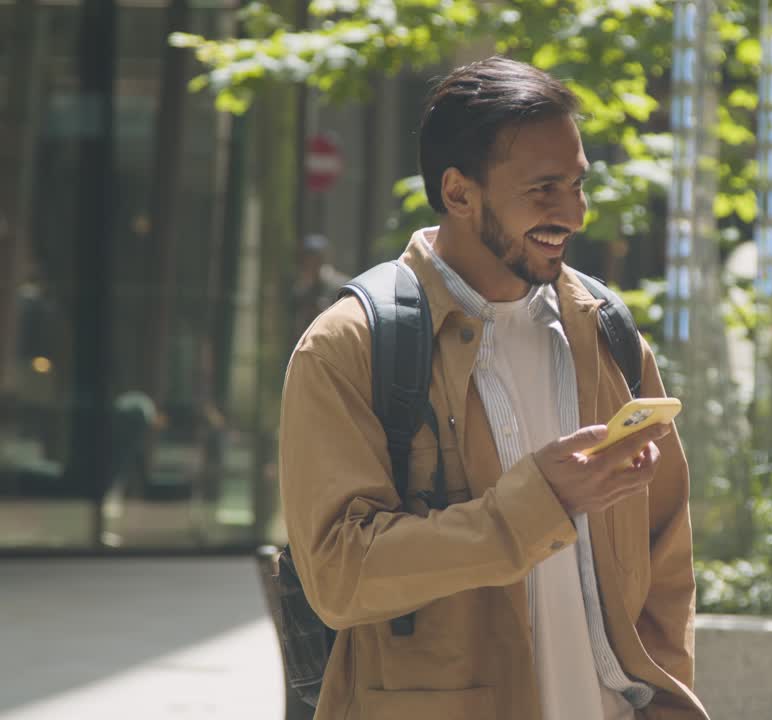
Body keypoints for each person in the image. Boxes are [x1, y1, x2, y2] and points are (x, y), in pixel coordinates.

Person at [278, 57, 706, 720]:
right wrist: (539, 504)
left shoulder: (607, 335)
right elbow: (338, 575)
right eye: (544, 189)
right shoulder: (348, 346)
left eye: (577, 184)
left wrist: (668, 700)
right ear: (459, 193)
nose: (575, 213)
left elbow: (667, 562)